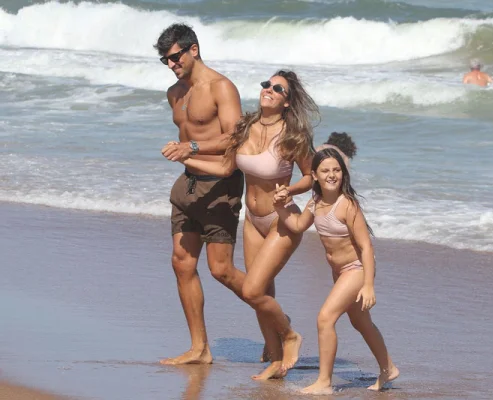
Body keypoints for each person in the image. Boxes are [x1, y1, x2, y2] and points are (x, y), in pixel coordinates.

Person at [179, 70, 320, 380]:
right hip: (252, 220)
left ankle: (290, 334)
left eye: (277, 88)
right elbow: (227, 166)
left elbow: (312, 176)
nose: (268, 89)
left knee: (254, 289)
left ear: (287, 101)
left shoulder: (293, 134)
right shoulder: (245, 126)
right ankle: (276, 360)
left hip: (280, 219)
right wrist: (187, 159)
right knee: (259, 292)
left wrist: (291, 189)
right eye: (266, 84)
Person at [154, 23, 248, 366]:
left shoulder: (221, 87)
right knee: (181, 263)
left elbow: (235, 137)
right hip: (188, 181)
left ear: (193, 49)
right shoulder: (174, 93)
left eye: (175, 57)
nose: (171, 64)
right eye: (165, 60)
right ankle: (199, 349)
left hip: (221, 185)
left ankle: (278, 324)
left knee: (221, 270)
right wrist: (185, 153)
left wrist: (191, 146)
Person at [273, 148, 399, 394]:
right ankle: (388, 368)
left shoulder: (347, 205)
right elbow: (297, 225)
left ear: (343, 173)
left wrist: (368, 284)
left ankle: (324, 382)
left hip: (357, 269)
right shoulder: (316, 202)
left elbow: (365, 246)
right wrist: (280, 206)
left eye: (336, 170)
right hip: (340, 272)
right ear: (315, 176)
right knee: (360, 322)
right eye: (325, 170)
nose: (332, 175)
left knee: (325, 318)